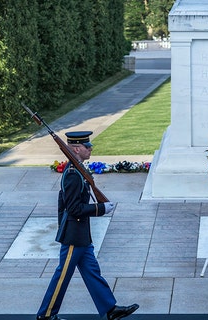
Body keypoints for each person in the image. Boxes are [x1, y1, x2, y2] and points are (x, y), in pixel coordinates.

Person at [37, 131, 139, 320]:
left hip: (81, 235)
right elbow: (73, 208)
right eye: (87, 146)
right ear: (76, 149)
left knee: (92, 272)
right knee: (62, 276)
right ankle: (46, 314)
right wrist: (100, 208)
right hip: (74, 236)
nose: (90, 148)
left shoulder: (78, 171)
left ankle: (110, 309)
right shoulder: (73, 175)